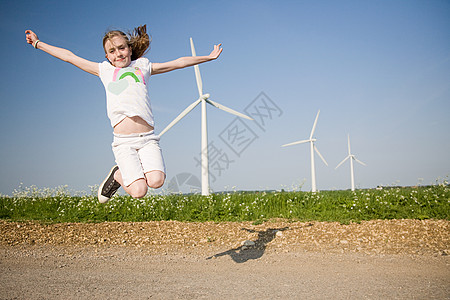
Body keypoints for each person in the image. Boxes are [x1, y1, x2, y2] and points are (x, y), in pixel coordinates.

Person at [25, 25, 222, 202]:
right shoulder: (104, 71)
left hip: (148, 139)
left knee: (156, 181)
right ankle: (118, 175)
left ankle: (125, 174)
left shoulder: (142, 66)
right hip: (124, 142)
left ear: (129, 49)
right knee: (138, 191)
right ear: (107, 57)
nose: (118, 53)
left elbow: (178, 62)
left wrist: (208, 57)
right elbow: (69, 57)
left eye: (121, 48)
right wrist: (38, 44)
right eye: (112, 51)